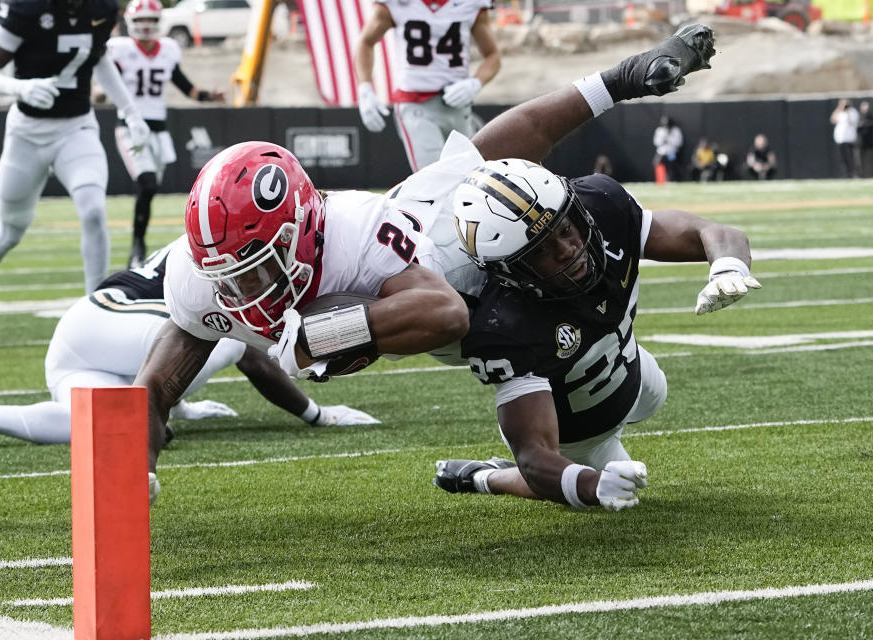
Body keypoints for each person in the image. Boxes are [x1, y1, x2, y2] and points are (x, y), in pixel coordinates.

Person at [133, 24, 717, 505]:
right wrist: (134, 464)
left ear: (304, 231)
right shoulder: (204, 275)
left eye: (257, 268)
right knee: (584, 451)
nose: (243, 290)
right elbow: (153, 388)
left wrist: (317, 334)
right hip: (463, 305)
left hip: (459, 271)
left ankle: (619, 76)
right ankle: (507, 471)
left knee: (485, 179)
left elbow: (443, 313)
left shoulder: (359, 235)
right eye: (229, 274)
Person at [432, 159, 761, 511]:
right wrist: (591, 486)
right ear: (509, 272)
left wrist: (728, 265)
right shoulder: (504, 324)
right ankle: (484, 477)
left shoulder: (602, 205)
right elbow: (535, 457)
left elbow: (711, 231)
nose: (567, 249)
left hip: (631, 368)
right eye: (540, 251)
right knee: (604, 489)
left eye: (565, 227)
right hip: (582, 435)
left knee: (657, 393)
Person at [0, 242, 379, 480]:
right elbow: (242, 349)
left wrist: (183, 404)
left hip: (91, 345)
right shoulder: (226, 252)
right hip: (105, 320)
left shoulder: (217, 244)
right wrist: (319, 416)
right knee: (228, 336)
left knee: (103, 428)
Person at [0, 0, 152, 339]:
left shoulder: (102, 8)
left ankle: (96, 312)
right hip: (26, 133)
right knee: (9, 232)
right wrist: (19, 87)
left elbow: (99, 57)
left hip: (76, 128)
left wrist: (131, 111)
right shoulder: (28, 8)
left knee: (93, 212)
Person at [107, 0, 227, 268]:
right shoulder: (121, 50)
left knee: (151, 187)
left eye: (150, 19)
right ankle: (137, 246)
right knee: (147, 182)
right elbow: (106, 81)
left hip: (158, 130)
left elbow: (186, 87)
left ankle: (140, 243)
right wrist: (100, 93)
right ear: (130, 23)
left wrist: (209, 96)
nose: (145, 25)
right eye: (140, 21)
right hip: (130, 127)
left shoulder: (167, 51)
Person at [353, 0, 501, 172]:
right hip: (416, 104)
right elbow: (366, 42)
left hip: (457, 105)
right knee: (434, 177)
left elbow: (493, 56)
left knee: (467, 176)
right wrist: (365, 89)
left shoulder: (470, 4)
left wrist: (475, 83)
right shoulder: (398, 4)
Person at [830, 98, 859, 178]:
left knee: (851, 158)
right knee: (843, 158)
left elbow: (853, 121)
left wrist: (848, 110)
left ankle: (853, 173)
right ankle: (845, 174)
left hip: (850, 139)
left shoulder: (852, 112)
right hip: (840, 139)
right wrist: (839, 108)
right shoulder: (840, 112)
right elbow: (832, 119)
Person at [651, 115, 683, 181]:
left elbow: (679, 143)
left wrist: (669, 139)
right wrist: (663, 140)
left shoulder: (676, 130)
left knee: (672, 166)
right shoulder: (659, 130)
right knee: (657, 163)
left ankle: (672, 180)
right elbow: (656, 142)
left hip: (672, 153)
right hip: (661, 152)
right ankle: (661, 180)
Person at [855, 100, 873, 179]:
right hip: (860, 142)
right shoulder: (858, 116)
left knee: (870, 160)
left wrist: (864, 123)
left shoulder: (871, 116)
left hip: (870, 143)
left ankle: (870, 175)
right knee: (859, 161)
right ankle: (861, 175)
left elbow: (872, 125)